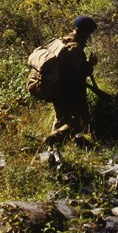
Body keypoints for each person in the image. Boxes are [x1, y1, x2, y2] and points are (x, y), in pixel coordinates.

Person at [46, 15, 98, 145]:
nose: (89, 36)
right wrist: (90, 64)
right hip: (70, 92)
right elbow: (75, 75)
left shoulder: (63, 40)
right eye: (89, 33)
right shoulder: (75, 49)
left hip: (56, 89)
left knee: (61, 119)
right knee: (80, 120)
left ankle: (54, 148)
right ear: (84, 31)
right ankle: (56, 139)